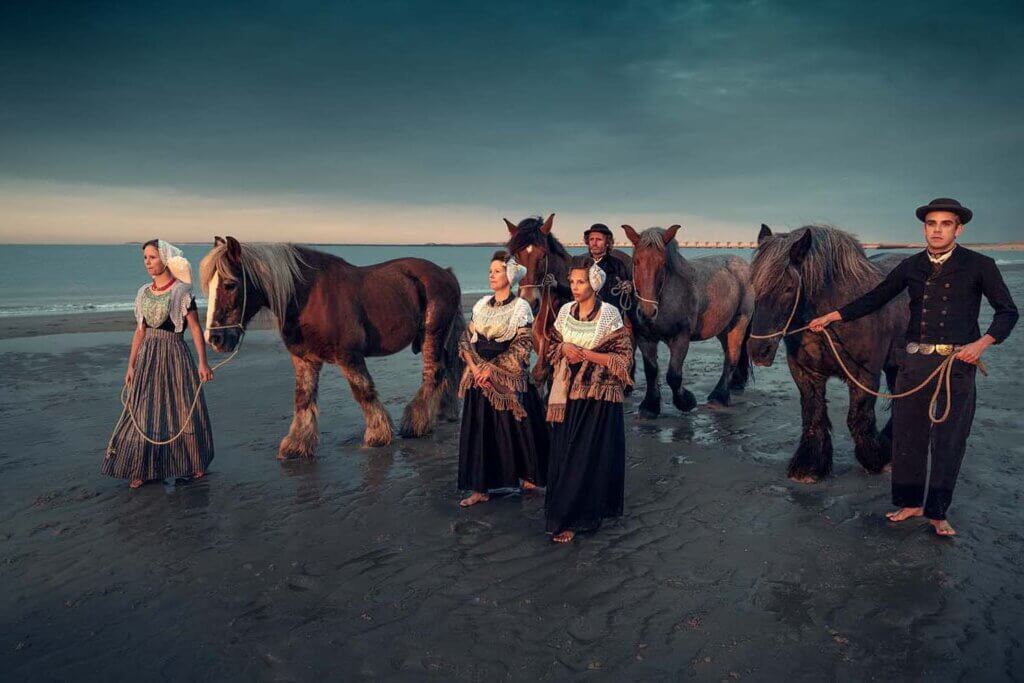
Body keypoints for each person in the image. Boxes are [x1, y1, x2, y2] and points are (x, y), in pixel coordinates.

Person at [808, 198, 1018, 536]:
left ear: (957, 228)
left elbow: (1008, 312)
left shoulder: (980, 265)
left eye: (945, 224)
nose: (937, 230)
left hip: (957, 362)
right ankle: (910, 503)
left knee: (950, 438)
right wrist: (833, 315)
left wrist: (981, 344)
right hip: (914, 360)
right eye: (931, 223)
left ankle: (937, 512)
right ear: (925, 228)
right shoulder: (912, 265)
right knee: (908, 435)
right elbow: (876, 297)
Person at [104, 239, 216, 488]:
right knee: (144, 411)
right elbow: (139, 332)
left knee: (183, 409)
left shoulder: (182, 291)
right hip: (147, 357)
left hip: (175, 354)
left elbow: (196, 329)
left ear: (165, 258)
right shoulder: (143, 292)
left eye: (152, 257)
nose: (147, 262)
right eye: (145, 258)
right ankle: (142, 468)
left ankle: (194, 464)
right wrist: (131, 365)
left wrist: (203, 363)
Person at [544, 255, 633, 543]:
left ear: (594, 283)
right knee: (564, 453)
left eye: (580, 281)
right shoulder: (565, 312)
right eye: (571, 281)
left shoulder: (609, 315)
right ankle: (563, 512)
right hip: (566, 392)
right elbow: (552, 348)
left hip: (597, 396)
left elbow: (623, 358)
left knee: (586, 456)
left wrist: (585, 355)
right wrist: (564, 349)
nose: (574, 287)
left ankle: (577, 518)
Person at [457, 251, 549, 507]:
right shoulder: (481, 305)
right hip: (479, 379)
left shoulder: (520, 307)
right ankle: (480, 488)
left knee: (519, 429)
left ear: (509, 276)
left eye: (497, 271)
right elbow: (466, 339)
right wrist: (475, 369)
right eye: (490, 271)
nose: (491, 275)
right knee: (481, 433)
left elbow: (521, 345)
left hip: (508, 378)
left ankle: (529, 478)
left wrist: (493, 370)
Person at [584, 223, 631, 311]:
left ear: (607, 243)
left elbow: (627, 289)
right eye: (591, 239)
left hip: (610, 314)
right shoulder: (580, 263)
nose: (594, 243)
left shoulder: (617, 265)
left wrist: (628, 286)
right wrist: (555, 284)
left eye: (598, 239)